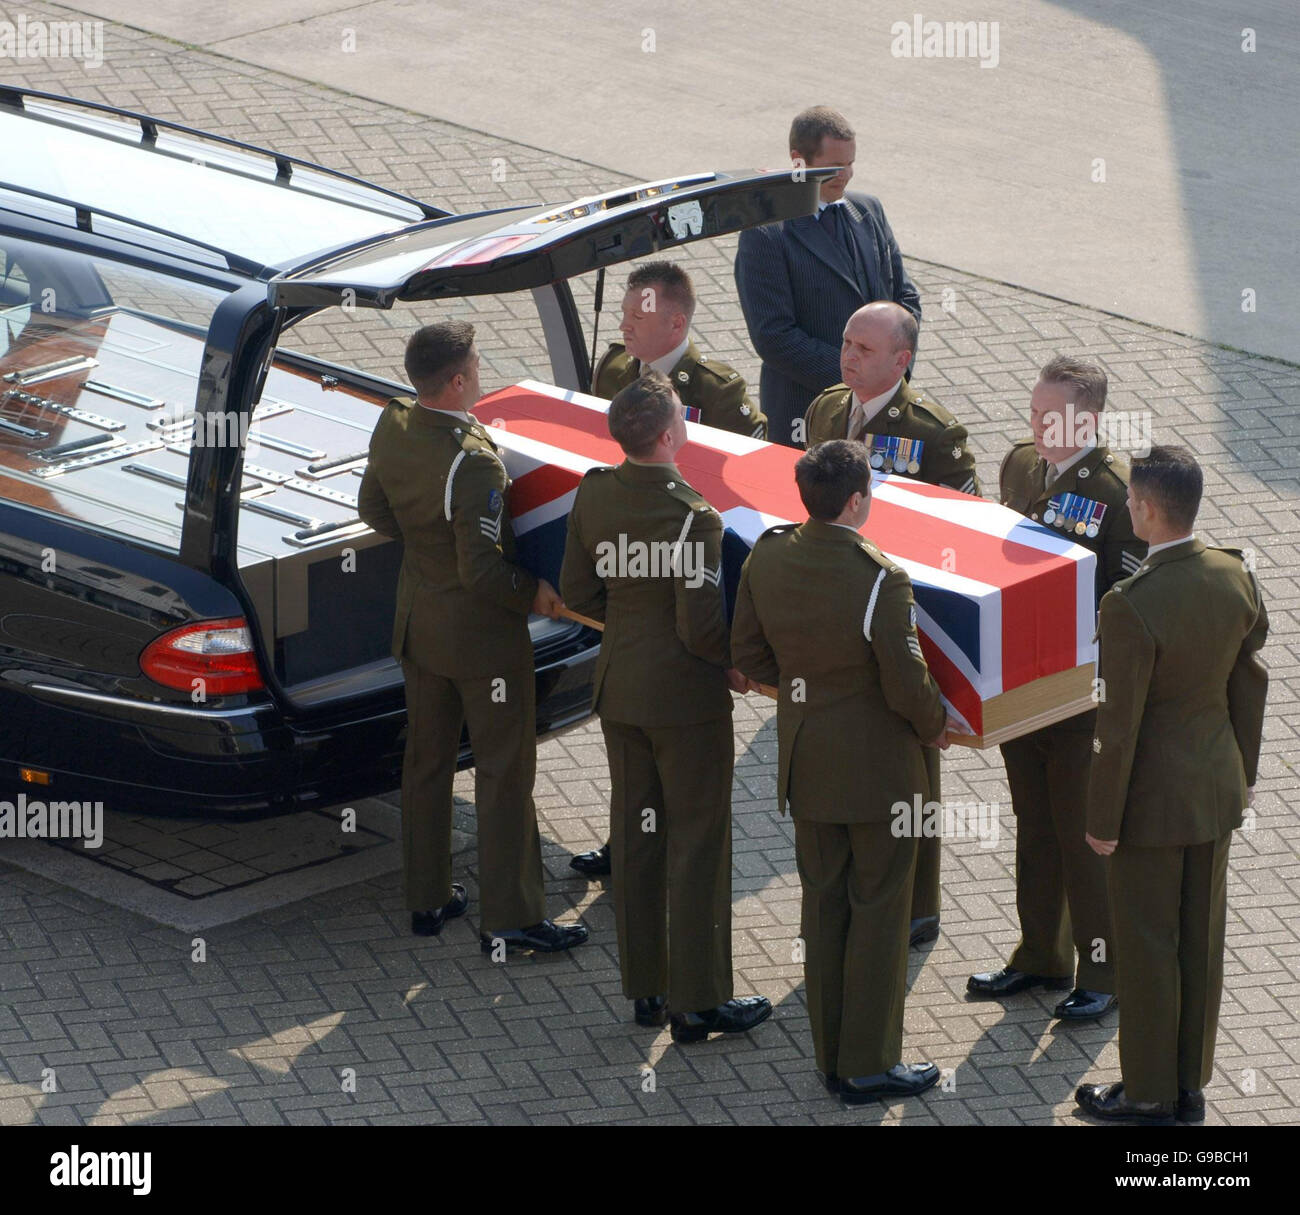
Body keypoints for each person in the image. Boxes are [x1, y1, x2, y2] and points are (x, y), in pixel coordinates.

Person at [731, 440, 954, 1103]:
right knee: (880, 915)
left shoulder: (768, 554)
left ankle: (830, 1056)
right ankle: (868, 1064)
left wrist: (803, 687)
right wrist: (933, 724)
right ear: (856, 501)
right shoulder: (880, 577)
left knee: (823, 908)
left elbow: (746, 651)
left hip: (809, 764)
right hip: (880, 772)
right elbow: (906, 681)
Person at [358, 321, 588, 954]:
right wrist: (536, 595)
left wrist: (426, 547)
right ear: (458, 381)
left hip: (419, 625)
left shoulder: (394, 423)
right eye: (478, 367)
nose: (483, 374)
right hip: (482, 643)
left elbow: (373, 511)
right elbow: (482, 570)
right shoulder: (475, 462)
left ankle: (427, 899)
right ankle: (512, 916)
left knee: (426, 764)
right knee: (504, 771)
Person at [559, 370, 771, 1043]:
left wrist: (625, 625)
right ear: (671, 435)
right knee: (699, 843)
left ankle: (647, 989)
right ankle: (700, 1001)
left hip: (620, 687)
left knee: (639, 838)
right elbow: (700, 627)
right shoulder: (692, 516)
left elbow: (576, 591)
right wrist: (735, 666)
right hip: (685, 699)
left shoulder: (594, 494)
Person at [1076, 446, 1268, 1125]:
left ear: (1151, 510)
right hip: (1214, 791)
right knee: (1201, 939)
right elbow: (1250, 678)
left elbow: (1117, 726)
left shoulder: (1130, 603)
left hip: (1150, 806)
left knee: (1149, 945)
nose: (1128, 509)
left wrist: (1101, 818)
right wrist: (1243, 771)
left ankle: (1150, 1091)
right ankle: (1189, 1082)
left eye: (1131, 501)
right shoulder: (1236, 574)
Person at [967, 356, 1144, 1019]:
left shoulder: (1118, 493)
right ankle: (1039, 953)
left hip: (1080, 698)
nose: (1038, 425)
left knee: (1082, 835)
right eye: (1034, 411)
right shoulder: (1021, 465)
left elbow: (1126, 603)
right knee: (1035, 826)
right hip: (1020, 685)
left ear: (1089, 418)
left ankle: (1104, 969)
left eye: (1053, 415)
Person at [805, 301, 978, 948]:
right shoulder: (826, 409)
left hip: (908, 618)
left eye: (866, 349)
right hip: (836, 611)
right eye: (846, 342)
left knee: (913, 766)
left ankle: (916, 905)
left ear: (901, 361)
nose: (849, 355)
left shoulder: (935, 433)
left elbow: (963, 529)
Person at [735, 106, 921, 448]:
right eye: (835, 166)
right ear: (798, 161)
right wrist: (856, 374)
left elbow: (906, 299)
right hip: (805, 411)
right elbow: (774, 336)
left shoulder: (869, 210)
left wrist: (893, 369)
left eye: (851, 163)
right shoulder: (767, 233)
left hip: (882, 407)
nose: (846, 174)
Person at [591, 260, 766, 438]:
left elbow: (752, 459)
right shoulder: (611, 366)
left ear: (676, 324)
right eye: (624, 313)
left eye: (637, 316)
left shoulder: (718, 393)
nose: (623, 326)